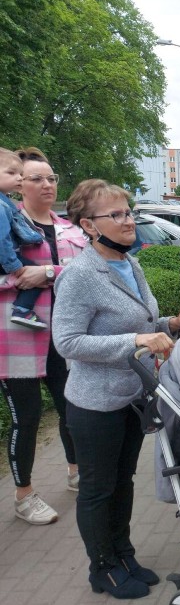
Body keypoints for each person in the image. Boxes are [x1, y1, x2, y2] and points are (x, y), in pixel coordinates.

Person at [52, 179, 180, 599]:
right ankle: (103, 568)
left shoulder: (129, 264)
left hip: (134, 397)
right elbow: (68, 342)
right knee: (99, 489)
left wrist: (170, 324)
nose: (128, 220)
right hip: (95, 404)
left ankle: (124, 553)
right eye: (115, 215)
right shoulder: (79, 275)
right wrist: (135, 341)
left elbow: (144, 324)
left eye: (128, 211)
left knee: (124, 482)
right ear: (88, 226)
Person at [0, 147, 86, 525]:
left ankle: (76, 471)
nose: (47, 184)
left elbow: (82, 270)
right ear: (19, 184)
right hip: (16, 337)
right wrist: (22, 277)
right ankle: (24, 496)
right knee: (28, 416)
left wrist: (48, 272)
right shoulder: (5, 220)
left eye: (51, 178)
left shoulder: (68, 227)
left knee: (71, 407)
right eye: (36, 178)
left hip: (63, 334)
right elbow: (15, 275)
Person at [0, 148, 48, 329]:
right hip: (5, 256)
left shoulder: (4, 200)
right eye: (11, 173)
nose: (19, 178)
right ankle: (22, 309)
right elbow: (1, 240)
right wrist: (14, 266)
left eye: (20, 174)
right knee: (34, 272)